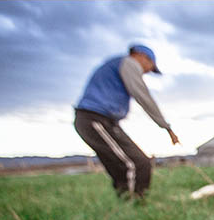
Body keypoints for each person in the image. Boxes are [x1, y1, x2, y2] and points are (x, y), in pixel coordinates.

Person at [74, 44, 179, 199]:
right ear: (142, 56)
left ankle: (124, 204)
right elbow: (143, 96)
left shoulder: (115, 65)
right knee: (138, 163)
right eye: (151, 66)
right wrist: (166, 126)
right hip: (94, 119)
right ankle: (137, 204)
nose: (149, 70)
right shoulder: (129, 63)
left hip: (102, 121)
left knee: (120, 166)